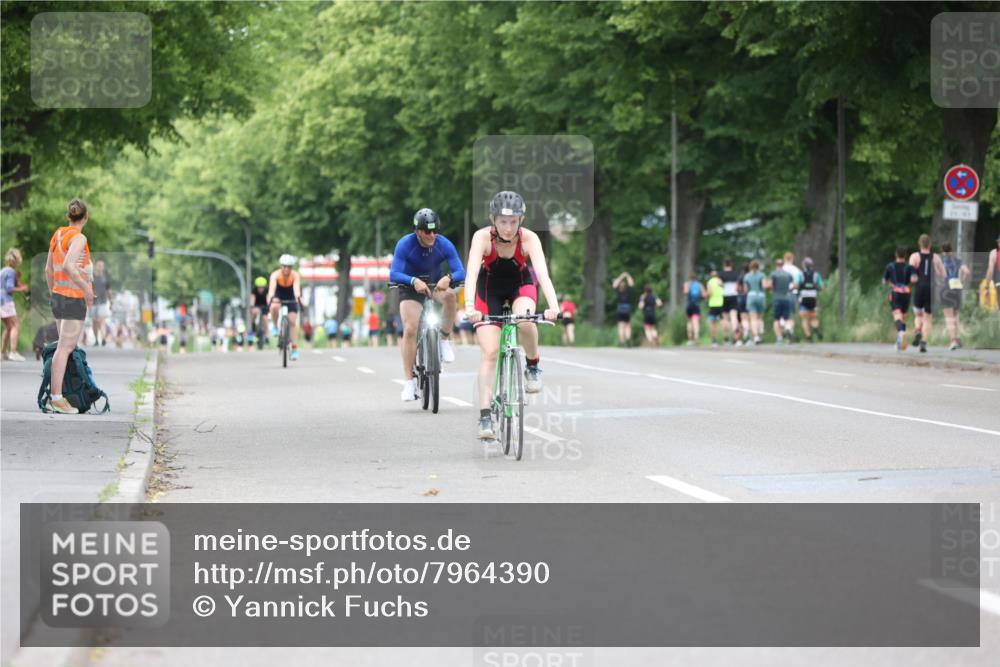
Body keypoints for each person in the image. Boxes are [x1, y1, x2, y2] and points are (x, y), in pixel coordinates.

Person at [465, 191, 559, 439]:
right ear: (493, 219)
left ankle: (533, 365)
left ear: (521, 220)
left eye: (513, 222)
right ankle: (485, 417)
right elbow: (472, 274)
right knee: (490, 352)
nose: (508, 228)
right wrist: (469, 307)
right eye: (503, 222)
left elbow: (544, 275)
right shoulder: (481, 238)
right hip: (489, 290)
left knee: (526, 320)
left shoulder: (529, 239)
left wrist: (554, 306)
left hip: (520, 285)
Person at [390, 208, 466, 401]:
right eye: (427, 231)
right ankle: (409, 382)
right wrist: (413, 280)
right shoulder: (405, 244)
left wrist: (448, 278)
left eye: (435, 231)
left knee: (450, 297)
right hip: (411, 287)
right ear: (417, 231)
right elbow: (394, 273)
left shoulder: (444, 244)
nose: (432, 235)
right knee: (410, 328)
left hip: (435, 284)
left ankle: (443, 339)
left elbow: (461, 272)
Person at [44, 199, 94, 413]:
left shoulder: (58, 234)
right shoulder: (79, 238)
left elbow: (49, 269)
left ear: (68, 216)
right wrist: (86, 289)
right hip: (73, 298)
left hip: (58, 296)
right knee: (65, 348)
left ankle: (59, 394)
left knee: (64, 347)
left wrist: (53, 291)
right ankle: (56, 398)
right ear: (86, 217)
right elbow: (68, 266)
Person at [909, 234, 942, 354]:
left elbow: (911, 273)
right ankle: (923, 342)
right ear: (930, 245)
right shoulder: (936, 257)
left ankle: (918, 329)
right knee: (928, 318)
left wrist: (913, 276)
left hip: (919, 288)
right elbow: (941, 274)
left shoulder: (914, 256)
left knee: (918, 315)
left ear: (919, 244)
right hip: (930, 289)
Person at [267, 254, 303, 361]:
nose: (286, 269)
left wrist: (298, 298)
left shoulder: (295, 275)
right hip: (279, 293)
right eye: (284, 266)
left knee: (292, 322)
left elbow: (296, 289)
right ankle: (274, 326)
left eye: (289, 267)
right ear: (281, 266)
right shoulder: (275, 275)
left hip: (291, 294)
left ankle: (294, 348)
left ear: (292, 267)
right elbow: (272, 289)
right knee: (274, 306)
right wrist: (271, 298)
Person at [938, 241, 970, 351]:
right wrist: (962, 281)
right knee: (956, 315)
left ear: (942, 251)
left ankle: (953, 340)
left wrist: (940, 282)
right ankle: (958, 337)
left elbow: (938, 273)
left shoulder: (941, 261)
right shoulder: (958, 260)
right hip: (957, 286)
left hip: (946, 287)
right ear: (951, 249)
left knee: (948, 316)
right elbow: (967, 272)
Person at [884, 246, 915, 351]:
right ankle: (900, 343)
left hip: (896, 292)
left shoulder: (890, 266)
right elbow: (914, 279)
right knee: (902, 317)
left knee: (897, 316)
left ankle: (901, 334)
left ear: (896, 255)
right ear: (905, 256)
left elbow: (884, 281)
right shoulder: (910, 267)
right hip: (906, 292)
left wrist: (890, 283)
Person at [1, 248, 29, 361]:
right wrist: (22, 289)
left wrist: (17, 281)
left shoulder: (3, 270)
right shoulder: (11, 271)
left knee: (8, 327)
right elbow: (9, 288)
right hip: (6, 301)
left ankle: (2, 353)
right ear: (17, 260)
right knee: (15, 325)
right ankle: (13, 352)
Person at [767, 258, 795, 343]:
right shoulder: (788, 274)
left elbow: (770, 285)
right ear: (783, 265)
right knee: (787, 318)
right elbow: (793, 285)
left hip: (777, 298)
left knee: (776, 319)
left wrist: (771, 290)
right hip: (787, 298)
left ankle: (779, 338)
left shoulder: (773, 274)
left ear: (776, 265)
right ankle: (788, 329)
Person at [796, 257, 824, 341]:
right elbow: (822, 287)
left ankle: (808, 337)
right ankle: (816, 328)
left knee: (804, 319)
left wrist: (797, 288)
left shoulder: (800, 275)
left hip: (804, 298)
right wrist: (816, 288)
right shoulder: (816, 275)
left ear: (804, 265)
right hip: (813, 298)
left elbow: (796, 285)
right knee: (813, 317)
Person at [742, 260, 766, 345]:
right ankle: (760, 334)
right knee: (759, 318)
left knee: (753, 318)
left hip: (751, 296)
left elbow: (745, 290)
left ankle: (755, 336)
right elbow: (763, 286)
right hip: (760, 296)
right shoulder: (762, 275)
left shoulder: (747, 276)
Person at [719, 258, 741, 345]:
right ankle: (735, 337)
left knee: (725, 318)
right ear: (731, 264)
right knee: (734, 317)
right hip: (734, 296)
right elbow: (737, 286)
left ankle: (726, 338)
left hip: (725, 296)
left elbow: (720, 284)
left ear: (724, 264)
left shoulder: (721, 274)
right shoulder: (736, 273)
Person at [90, 260, 112, 346]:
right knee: (94, 322)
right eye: (99, 265)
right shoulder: (91, 278)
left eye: (102, 266)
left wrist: (111, 302)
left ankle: (103, 338)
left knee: (102, 321)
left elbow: (109, 291)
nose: (100, 267)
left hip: (103, 302)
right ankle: (96, 340)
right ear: (95, 266)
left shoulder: (106, 278)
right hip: (93, 303)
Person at [612, 272, 634, 346]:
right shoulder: (628, 290)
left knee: (621, 326)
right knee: (627, 325)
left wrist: (621, 276)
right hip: (627, 308)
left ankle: (622, 341)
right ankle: (628, 339)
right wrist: (627, 275)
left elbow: (615, 284)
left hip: (620, 308)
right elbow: (631, 283)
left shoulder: (618, 291)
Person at [683, 272, 704, 345]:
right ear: (696, 278)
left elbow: (685, 292)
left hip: (689, 304)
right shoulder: (699, 284)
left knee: (689, 322)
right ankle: (696, 337)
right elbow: (704, 294)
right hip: (697, 304)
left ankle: (690, 339)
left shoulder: (687, 284)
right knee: (696, 322)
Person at [705, 270, 724, 347]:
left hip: (713, 304)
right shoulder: (720, 281)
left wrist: (706, 297)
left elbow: (709, 293)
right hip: (721, 303)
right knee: (723, 321)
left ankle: (714, 340)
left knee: (712, 323)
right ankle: (726, 339)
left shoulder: (710, 282)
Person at [250, 276, 269, 346]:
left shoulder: (267, 291)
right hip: (257, 306)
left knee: (265, 319)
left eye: (262, 287)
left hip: (265, 307)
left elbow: (268, 300)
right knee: (254, 313)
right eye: (259, 287)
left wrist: (269, 305)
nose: (261, 289)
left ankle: (267, 335)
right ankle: (253, 328)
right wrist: (252, 306)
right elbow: (252, 300)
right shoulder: (254, 291)